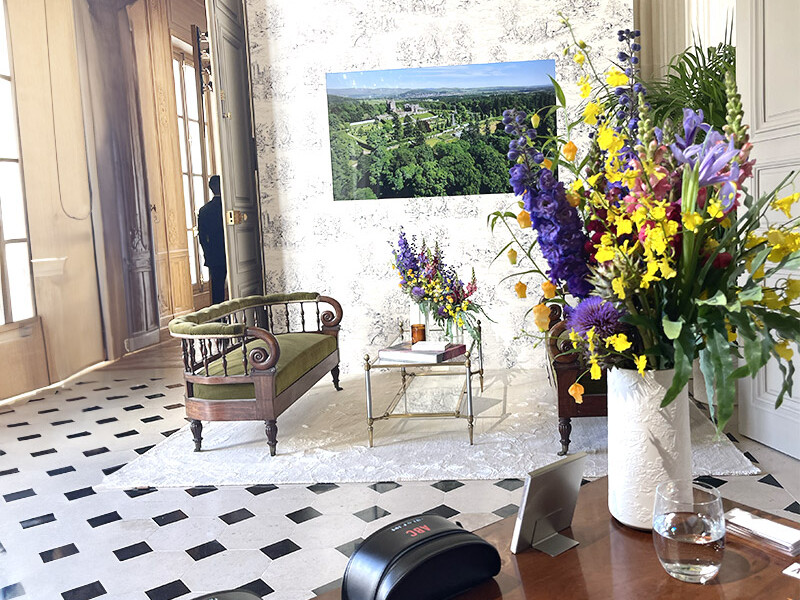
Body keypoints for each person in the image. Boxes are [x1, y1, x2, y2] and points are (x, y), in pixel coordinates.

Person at [197, 175, 227, 304]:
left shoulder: (204, 210)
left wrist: (207, 254)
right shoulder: (228, 207)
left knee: (217, 290)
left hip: (214, 255)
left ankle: (219, 315)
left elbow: (202, 237)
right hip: (232, 253)